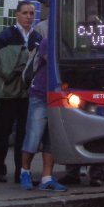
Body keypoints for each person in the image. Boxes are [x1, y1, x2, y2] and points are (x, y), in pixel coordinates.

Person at [0, 1, 42, 183]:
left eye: (31, 13)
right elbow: (3, 67)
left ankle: (20, 172)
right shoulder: (6, 36)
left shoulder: (36, 37)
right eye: (25, 13)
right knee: (2, 132)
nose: (29, 16)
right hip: (7, 94)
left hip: (27, 94)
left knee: (24, 133)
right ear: (17, 14)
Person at [19, 37, 66, 191]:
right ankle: (24, 171)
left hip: (57, 96)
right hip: (40, 95)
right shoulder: (48, 41)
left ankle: (46, 178)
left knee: (50, 139)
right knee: (33, 137)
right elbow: (54, 63)